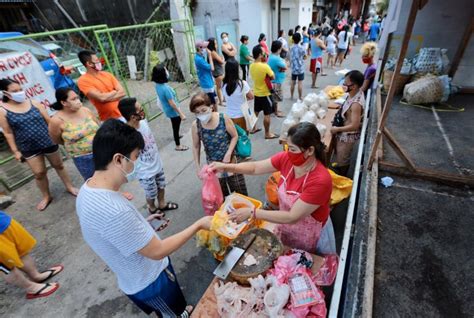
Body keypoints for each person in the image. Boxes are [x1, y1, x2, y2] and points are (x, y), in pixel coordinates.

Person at [76, 119, 212, 317]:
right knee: (171, 313)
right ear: (118, 160)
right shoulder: (115, 211)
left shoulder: (88, 189)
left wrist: (143, 225)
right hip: (150, 280)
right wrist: (198, 225)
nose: (138, 162)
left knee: (176, 306)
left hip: (137, 275)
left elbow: (112, 232)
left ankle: (181, 310)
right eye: (136, 156)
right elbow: (158, 252)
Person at [210, 122, 335, 254]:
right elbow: (255, 167)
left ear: (310, 150)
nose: (288, 152)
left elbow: (293, 216)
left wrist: (252, 213)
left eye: (292, 149)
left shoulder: (320, 180)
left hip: (310, 233)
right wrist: (226, 167)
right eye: (287, 147)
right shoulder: (288, 159)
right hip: (286, 225)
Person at [0, 79, 78, 211]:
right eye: (15, 91)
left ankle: (69, 186)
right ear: (5, 93)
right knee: (39, 173)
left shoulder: (34, 103)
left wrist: (64, 133)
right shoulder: (2, 110)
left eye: (20, 89)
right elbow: (8, 133)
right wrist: (16, 151)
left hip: (48, 140)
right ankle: (47, 196)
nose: (20, 92)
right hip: (27, 146)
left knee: (59, 165)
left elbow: (49, 121)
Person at [118, 97, 178, 219]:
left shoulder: (143, 122)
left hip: (157, 164)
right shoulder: (127, 134)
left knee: (161, 185)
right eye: (140, 109)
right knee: (151, 192)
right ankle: (152, 207)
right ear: (133, 116)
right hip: (145, 171)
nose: (143, 111)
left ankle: (162, 204)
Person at [189, 92, 248, 197]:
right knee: (221, 197)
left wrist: (229, 153)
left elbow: (235, 136)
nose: (201, 115)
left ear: (211, 107)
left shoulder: (223, 118)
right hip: (214, 167)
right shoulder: (196, 125)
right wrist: (198, 168)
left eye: (203, 110)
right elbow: (196, 146)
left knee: (240, 194)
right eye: (197, 113)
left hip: (231, 162)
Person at [0, 211, 64, 299]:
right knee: (6, 267)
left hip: (3, 221)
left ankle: (36, 276)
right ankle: (31, 288)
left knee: (21, 250)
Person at [48, 87, 99, 180]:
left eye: (77, 97)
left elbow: (97, 126)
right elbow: (57, 139)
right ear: (64, 102)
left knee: (110, 177)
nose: (78, 101)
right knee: (93, 181)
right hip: (83, 158)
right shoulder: (56, 121)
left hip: (101, 151)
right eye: (73, 99)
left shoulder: (85, 110)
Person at [330, 71, 365, 176]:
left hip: (347, 135)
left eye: (345, 83)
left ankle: (342, 175)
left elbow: (354, 125)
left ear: (354, 86)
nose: (343, 85)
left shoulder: (356, 105)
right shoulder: (354, 94)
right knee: (340, 154)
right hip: (343, 130)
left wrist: (337, 129)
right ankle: (339, 166)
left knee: (343, 157)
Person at [77, 50, 126, 121]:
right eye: (97, 60)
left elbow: (123, 93)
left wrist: (106, 97)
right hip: (109, 119)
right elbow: (102, 98)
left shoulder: (107, 74)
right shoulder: (83, 80)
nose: (99, 62)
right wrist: (114, 92)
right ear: (89, 64)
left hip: (124, 113)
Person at [152, 64, 188, 151]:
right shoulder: (165, 88)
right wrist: (181, 114)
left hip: (167, 109)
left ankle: (176, 136)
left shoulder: (157, 85)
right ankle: (178, 145)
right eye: (165, 70)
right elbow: (172, 104)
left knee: (174, 125)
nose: (167, 71)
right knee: (176, 126)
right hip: (173, 111)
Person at [249, 45, 279, 139]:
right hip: (265, 93)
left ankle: (253, 128)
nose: (265, 53)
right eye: (263, 52)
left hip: (257, 93)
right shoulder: (265, 66)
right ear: (260, 54)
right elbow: (273, 77)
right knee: (267, 114)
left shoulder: (251, 65)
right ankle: (267, 133)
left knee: (256, 112)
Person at [222, 59, 254, 132]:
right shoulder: (242, 84)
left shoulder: (223, 84)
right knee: (243, 138)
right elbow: (251, 96)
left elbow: (225, 97)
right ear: (237, 70)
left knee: (233, 138)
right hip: (241, 116)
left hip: (229, 116)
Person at [194, 40, 217, 112]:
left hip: (208, 81)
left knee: (214, 99)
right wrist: (210, 56)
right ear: (199, 48)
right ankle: (215, 114)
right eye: (205, 47)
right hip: (206, 83)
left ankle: (214, 113)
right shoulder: (199, 59)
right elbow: (212, 68)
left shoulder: (200, 57)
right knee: (212, 101)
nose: (206, 49)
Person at [267, 40, 287, 118]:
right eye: (281, 48)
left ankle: (275, 110)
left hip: (274, 79)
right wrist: (284, 63)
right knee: (276, 97)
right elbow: (285, 66)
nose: (281, 50)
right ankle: (275, 112)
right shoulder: (276, 58)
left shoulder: (271, 56)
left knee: (274, 96)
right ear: (278, 49)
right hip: (276, 80)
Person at [208, 37, 225, 106]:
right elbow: (221, 61)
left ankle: (222, 99)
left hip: (219, 71)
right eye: (215, 43)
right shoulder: (213, 53)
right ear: (212, 45)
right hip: (218, 72)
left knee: (220, 87)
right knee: (219, 88)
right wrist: (223, 58)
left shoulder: (213, 52)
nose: (216, 44)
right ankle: (221, 102)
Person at [290, 33, 306, 100]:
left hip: (293, 67)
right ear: (300, 39)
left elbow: (289, 56)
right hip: (300, 68)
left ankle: (291, 96)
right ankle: (300, 97)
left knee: (293, 82)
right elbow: (305, 56)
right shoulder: (302, 47)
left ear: (293, 39)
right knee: (300, 83)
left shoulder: (291, 47)